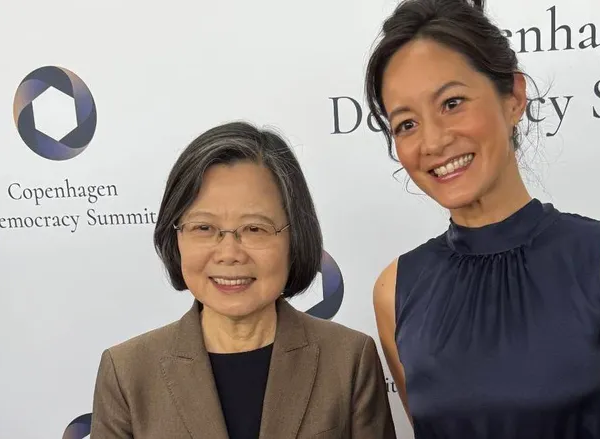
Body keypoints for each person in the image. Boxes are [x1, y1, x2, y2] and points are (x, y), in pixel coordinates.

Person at [364, 1, 600, 438]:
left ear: (513, 97)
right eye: (406, 124)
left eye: (452, 103)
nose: (432, 142)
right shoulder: (396, 290)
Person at [89, 121, 397, 439]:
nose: (229, 254)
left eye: (254, 229)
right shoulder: (127, 372)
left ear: (294, 237)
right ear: (175, 237)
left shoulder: (348, 358)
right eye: (203, 228)